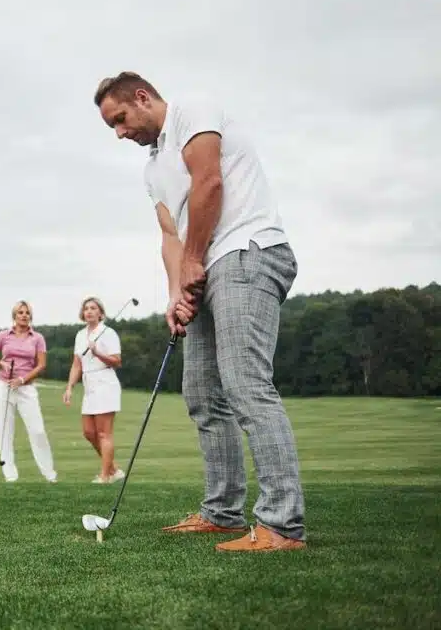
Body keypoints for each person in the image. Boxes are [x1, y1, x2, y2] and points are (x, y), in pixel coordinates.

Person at [91, 71, 307, 552]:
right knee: (202, 393)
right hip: (207, 267)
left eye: (121, 120)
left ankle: (282, 525)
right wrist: (176, 292)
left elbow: (209, 183)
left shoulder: (195, 110)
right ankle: (223, 512)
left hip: (247, 252)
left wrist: (193, 261)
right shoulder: (152, 167)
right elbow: (170, 235)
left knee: (245, 384)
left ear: (142, 97)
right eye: (113, 128)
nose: (121, 133)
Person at [0, 300, 58, 483]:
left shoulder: (37, 338)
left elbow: (41, 365)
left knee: (37, 430)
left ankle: (49, 474)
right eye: (20, 312)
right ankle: (10, 475)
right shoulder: (3, 335)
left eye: (27, 313)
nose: (24, 315)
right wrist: (1, 363)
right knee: (4, 431)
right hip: (3, 387)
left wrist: (22, 380)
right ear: (14, 316)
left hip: (26, 388)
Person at [63, 297, 126, 484]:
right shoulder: (80, 335)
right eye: (86, 308)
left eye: (93, 308)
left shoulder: (108, 333)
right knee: (89, 432)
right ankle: (113, 469)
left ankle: (105, 476)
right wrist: (69, 387)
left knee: (104, 433)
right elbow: (77, 364)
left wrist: (97, 352)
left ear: (100, 313)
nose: (89, 311)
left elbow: (117, 361)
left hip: (105, 383)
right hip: (89, 385)